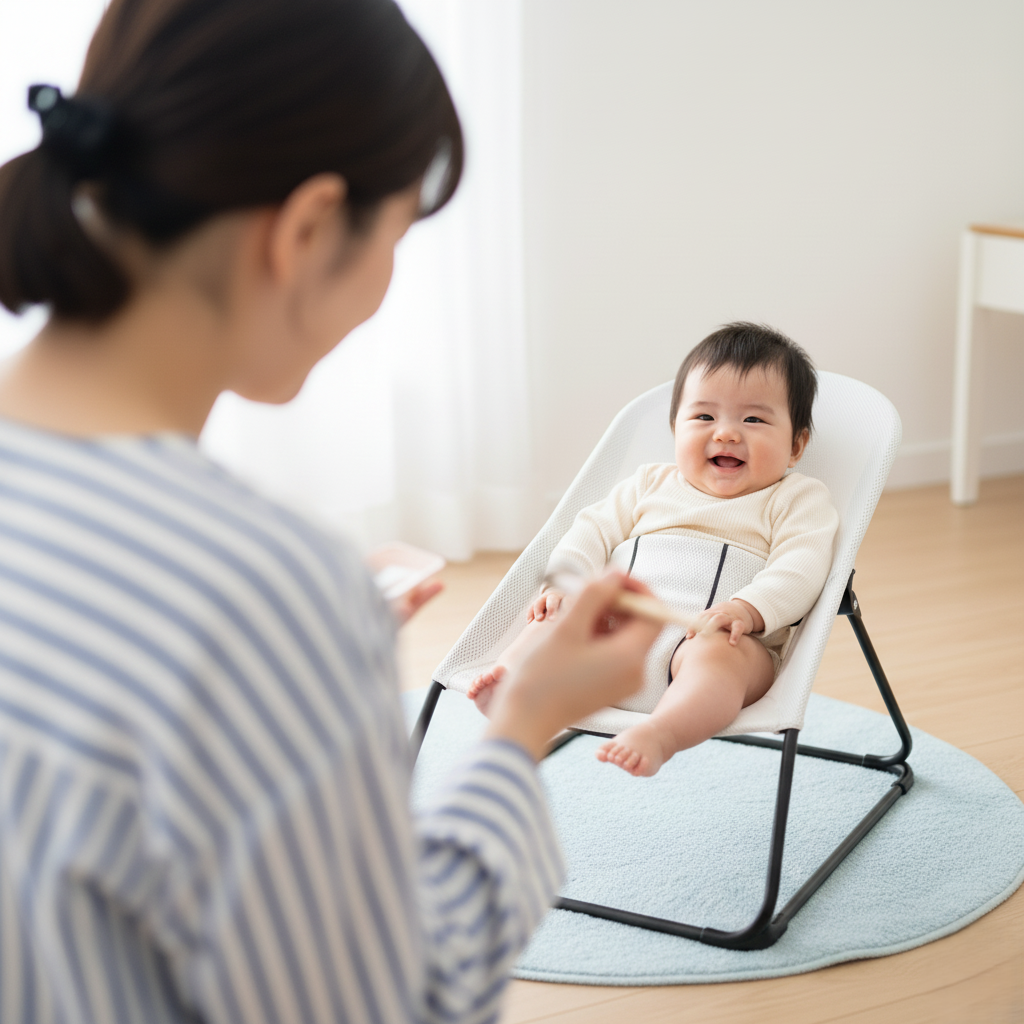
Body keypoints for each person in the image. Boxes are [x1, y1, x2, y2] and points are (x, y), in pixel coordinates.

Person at [0, 2, 662, 1022]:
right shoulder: (261, 593)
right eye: (396, 236)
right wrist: (526, 719)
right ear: (308, 228)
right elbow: (395, 1001)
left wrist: (294, 678)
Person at [469, 323, 840, 777]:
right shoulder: (648, 483)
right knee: (557, 618)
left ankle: (663, 732)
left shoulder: (796, 498)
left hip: (712, 639)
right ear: (675, 428)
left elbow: (802, 565)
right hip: (612, 640)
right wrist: (566, 584)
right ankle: (516, 686)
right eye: (704, 417)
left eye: (753, 420)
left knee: (720, 659)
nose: (726, 433)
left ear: (796, 445)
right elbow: (589, 533)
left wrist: (748, 608)